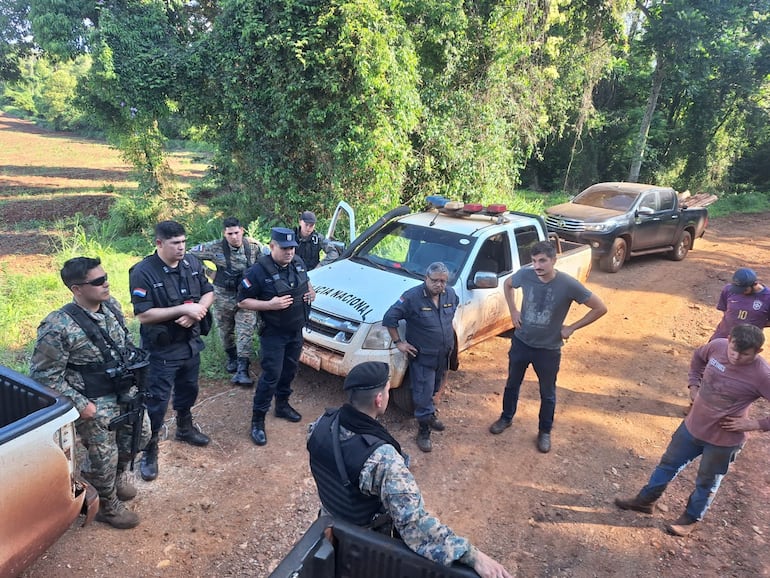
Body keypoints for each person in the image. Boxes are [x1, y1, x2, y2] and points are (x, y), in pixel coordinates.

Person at [306, 361, 513, 578]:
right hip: (365, 548)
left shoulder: (320, 425)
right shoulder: (383, 459)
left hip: (328, 530)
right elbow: (414, 524)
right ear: (379, 400)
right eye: (387, 390)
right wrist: (472, 556)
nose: (388, 394)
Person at [30, 257, 151, 529]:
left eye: (105, 277)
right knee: (102, 456)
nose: (106, 283)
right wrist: (82, 405)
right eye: (98, 281)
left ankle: (116, 476)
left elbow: (124, 346)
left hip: (123, 390)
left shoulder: (112, 307)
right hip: (92, 399)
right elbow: (43, 376)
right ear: (77, 289)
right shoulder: (58, 326)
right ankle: (108, 505)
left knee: (140, 434)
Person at [615, 324, 770, 537]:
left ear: (758, 352)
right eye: (733, 350)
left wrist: (754, 424)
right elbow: (698, 358)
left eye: (744, 354)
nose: (735, 357)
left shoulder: (762, 375)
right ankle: (644, 501)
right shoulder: (717, 346)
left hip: (723, 440)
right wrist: (693, 386)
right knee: (668, 464)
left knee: (707, 481)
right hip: (692, 426)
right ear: (729, 340)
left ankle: (691, 519)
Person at [489, 240, 607, 453]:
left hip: (548, 350)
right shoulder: (525, 275)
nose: (537, 266)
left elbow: (600, 307)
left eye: (542, 261)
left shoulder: (568, 284)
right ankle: (506, 418)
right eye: (534, 261)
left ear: (553, 260)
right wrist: (513, 311)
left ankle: (545, 431)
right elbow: (508, 284)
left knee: (547, 392)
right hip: (521, 342)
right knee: (512, 384)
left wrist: (572, 327)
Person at [129, 220, 215, 482]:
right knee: (156, 402)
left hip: (189, 344)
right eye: (175, 243)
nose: (181, 248)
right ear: (159, 243)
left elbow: (209, 291)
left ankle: (185, 428)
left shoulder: (191, 263)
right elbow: (143, 314)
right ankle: (149, 448)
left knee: (189, 390)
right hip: (162, 351)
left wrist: (197, 310)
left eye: (183, 242)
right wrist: (183, 310)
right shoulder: (143, 271)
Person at [238, 227, 316, 446]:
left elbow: (305, 280)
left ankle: (282, 405)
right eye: (284, 248)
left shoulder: (298, 262)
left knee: (290, 370)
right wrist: (269, 305)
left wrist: (312, 292)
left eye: (292, 248)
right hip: (273, 333)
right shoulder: (258, 271)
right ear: (272, 246)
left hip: (295, 331)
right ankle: (257, 420)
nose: (289, 252)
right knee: (271, 374)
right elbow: (242, 301)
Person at [383, 262, 459, 452]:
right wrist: (399, 343)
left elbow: (451, 315)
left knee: (434, 388)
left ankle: (430, 416)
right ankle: (424, 430)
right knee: (423, 394)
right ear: (426, 278)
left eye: (443, 281)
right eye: (435, 281)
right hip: (423, 357)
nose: (439, 285)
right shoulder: (412, 297)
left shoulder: (450, 294)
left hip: (443, 355)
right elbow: (389, 318)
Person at [190, 217, 262, 385]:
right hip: (223, 297)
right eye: (230, 234)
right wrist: (209, 272)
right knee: (225, 330)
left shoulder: (253, 247)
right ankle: (232, 359)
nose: (234, 237)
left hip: (246, 297)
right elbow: (190, 256)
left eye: (236, 233)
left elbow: (267, 262)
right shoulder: (214, 247)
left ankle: (243, 368)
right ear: (224, 233)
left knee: (246, 331)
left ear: (242, 230)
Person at [710, 267, 770, 341]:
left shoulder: (767, 298)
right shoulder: (728, 289)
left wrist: (756, 323)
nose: (740, 292)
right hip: (722, 336)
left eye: (744, 289)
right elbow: (725, 310)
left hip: (747, 343)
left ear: (755, 284)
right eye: (737, 289)